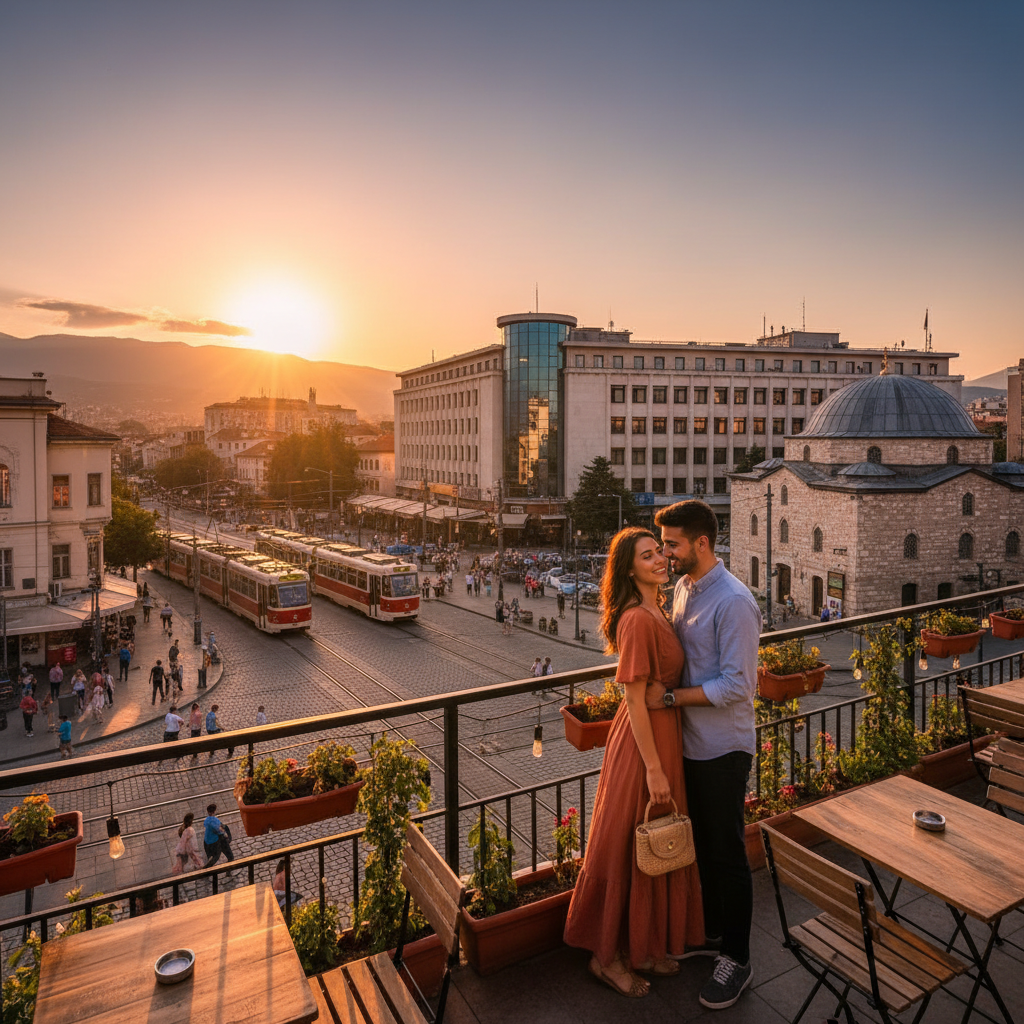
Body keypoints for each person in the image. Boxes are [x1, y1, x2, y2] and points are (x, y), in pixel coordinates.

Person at [564, 527, 704, 997]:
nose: (661, 559)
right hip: (644, 743)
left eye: (661, 552)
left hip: (657, 735)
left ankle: (642, 946)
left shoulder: (654, 610)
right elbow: (634, 697)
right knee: (627, 842)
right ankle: (607, 957)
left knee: (649, 840)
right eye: (648, 556)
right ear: (629, 569)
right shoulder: (638, 620)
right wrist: (654, 768)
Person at [647, 500, 761, 1011]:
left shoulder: (734, 601)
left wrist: (670, 699)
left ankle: (737, 959)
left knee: (727, 853)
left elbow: (739, 685)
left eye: (672, 543)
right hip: (692, 745)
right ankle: (714, 934)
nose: (666, 552)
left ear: (702, 543)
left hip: (723, 748)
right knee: (706, 850)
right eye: (663, 544)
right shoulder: (686, 588)